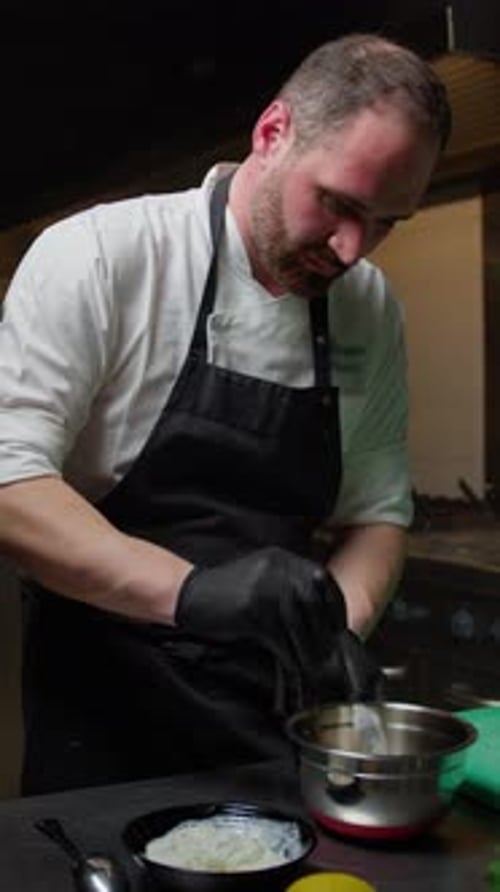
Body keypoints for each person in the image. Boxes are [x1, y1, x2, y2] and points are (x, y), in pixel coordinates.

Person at [0, 34, 450, 795]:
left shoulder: (368, 305)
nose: (352, 248)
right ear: (272, 133)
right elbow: (11, 481)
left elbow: (377, 513)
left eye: (385, 223)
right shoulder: (106, 256)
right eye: (338, 204)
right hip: (104, 711)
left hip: (272, 721)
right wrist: (190, 592)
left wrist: (336, 623)